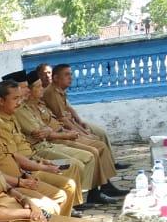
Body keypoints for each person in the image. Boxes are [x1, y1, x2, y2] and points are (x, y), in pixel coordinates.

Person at [0, 89, 78, 217]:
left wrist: (31, 170)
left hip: (23, 176)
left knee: (62, 193)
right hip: (10, 186)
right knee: (53, 204)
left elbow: (14, 155)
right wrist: (19, 181)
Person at [18, 68, 120, 201]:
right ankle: (88, 195)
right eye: (35, 87)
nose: (42, 88)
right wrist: (67, 134)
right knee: (88, 154)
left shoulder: (35, 105)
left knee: (95, 148)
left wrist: (73, 131)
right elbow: (43, 132)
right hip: (45, 145)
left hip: (53, 140)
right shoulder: (23, 109)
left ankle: (99, 188)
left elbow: (52, 126)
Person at [42, 64, 127, 171]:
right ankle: (106, 173)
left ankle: (110, 164)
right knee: (97, 142)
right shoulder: (51, 92)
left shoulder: (60, 90)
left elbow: (68, 109)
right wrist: (84, 134)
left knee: (101, 134)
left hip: (71, 124)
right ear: (56, 78)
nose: (71, 77)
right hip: (64, 129)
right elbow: (63, 120)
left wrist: (80, 122)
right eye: (67, 75)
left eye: (71, 74)